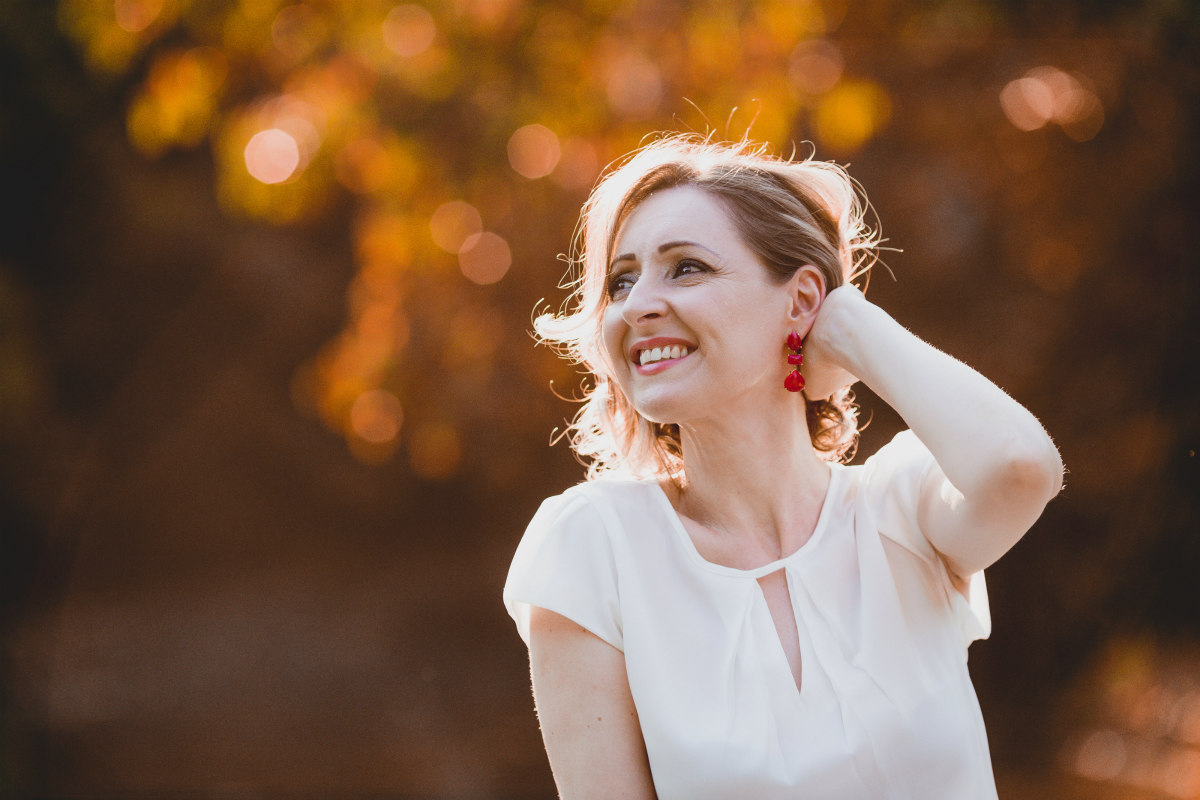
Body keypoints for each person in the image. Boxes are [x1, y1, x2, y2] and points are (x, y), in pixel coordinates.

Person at [502, 134, 1063, 799]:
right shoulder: (592, 548)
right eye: (622, 281)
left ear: (800, 302)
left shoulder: (904, 505)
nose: (637, 305)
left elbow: (1023, 467)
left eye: (686, 268)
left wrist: (852, 328)